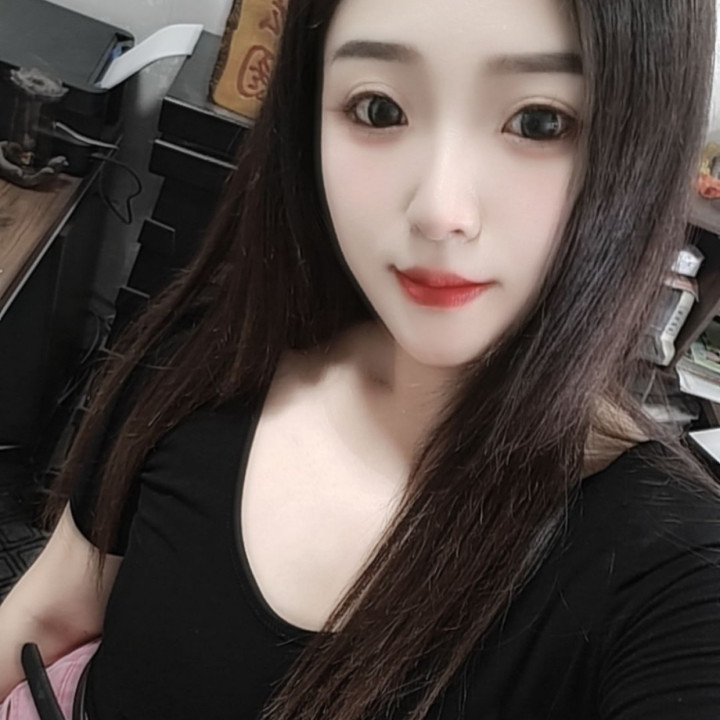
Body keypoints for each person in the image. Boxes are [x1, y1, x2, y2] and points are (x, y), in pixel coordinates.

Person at [1, 0, 720, 717]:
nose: (439, 211)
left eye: (539, 122)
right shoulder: (214, 352)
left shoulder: (671, 569)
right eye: (378, 110)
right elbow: (51, 608)